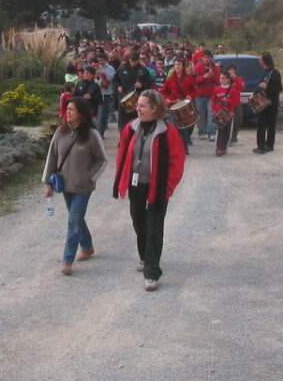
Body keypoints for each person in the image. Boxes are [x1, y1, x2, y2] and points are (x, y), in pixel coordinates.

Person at [113, 89, 187, 292]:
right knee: (138, 221)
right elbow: (122, 155)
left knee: (154, 226)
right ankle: (145, 257)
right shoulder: (130, 128)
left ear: (154, 108)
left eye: (142, 105)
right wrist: (120, 180)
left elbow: (177, 160)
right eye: (138, 105)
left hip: (158, 187)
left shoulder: (168, 131)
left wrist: (168, 186)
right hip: (136, 184)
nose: (137, 108)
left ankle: (152, 272)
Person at [42, 97, 108, 276]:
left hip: (83, 187)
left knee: (73, 220)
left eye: (71, 109)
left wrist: (90, 177)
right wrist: (48, 183)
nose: (67, 112)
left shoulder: (92, 135)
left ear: (81, 113)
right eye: (67, 109)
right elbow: (52, 158)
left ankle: (67, 260)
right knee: (76, 218)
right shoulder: (60, 132)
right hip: (65, 185)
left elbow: (102, 160)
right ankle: (87, 247)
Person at [160, 57, 197, 149]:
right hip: (173, 105)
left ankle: (184, 145)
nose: (177, 66)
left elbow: (194, 91)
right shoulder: (170, 79)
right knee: (173, 126)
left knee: (185, 126)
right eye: (175, 64)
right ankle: (174, 146)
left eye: (179, 64)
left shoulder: (189, 78)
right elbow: (164, 91)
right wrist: (167, 98)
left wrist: (190, 95)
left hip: (184, 105)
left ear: (183, 66)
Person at [113, 50, 154, 132]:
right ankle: (123, 136)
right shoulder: (122, 68)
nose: (132, 63)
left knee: (136, 122)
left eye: (134, 61)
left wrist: (142, 85)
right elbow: (114, 80)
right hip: (124, 99)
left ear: (138, 60)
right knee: (123, 123)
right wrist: (118, 86)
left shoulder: (143, 70)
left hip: (137, 100)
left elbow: (149, 83)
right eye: (131, 61)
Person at [253, 51, 282, 154]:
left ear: (264, 60)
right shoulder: (263, 71)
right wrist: (254, 94)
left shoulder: (275, 73)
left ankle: (269, 145)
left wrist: (267, 87)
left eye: (260, 59)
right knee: (261, 124)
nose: (259, 60)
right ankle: (260, 146)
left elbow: (279, 88)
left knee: (271, 124)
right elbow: (259, 85)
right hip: (262, 102)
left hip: (271, 103)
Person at [193, 49, 220, 141]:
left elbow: (218, 81)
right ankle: (202, 132)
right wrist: (204, 77)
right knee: (200, 115)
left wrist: (212, 76)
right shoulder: (197, 67)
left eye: (208, 57)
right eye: (205, 57)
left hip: (211, 95)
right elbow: (194, 81)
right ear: (202, 58)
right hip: (199, 95)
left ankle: (211, 133)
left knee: (211, 114)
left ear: (211, 58)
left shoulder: (215, 68)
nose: (207, 59)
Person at [212, 71, 241, 156]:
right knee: (220, 130)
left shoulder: (233, 90)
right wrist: (214, 110)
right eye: (220, 78)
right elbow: (213, 100)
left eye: (223, 78)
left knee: (227, 131)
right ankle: (219, 148)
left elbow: (237, 101)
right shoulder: (217, 89)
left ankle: (224, 147)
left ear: (228, 80)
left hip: (229, 113)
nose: (221, 80)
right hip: (220, 113)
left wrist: (228, 100)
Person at [94, 56, 116, 135]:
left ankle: (100, 132)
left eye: (102, 60)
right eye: (99, 60)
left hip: (106, 94)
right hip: (96, 94)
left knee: (102, 115)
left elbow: (111, 79)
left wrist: (102, 72)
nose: (100, 62)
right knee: (98, 115)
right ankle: (99, 132)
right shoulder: (94, 68)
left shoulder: (110, 68)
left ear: (105, 60)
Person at [225, 64, 245, 146]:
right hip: (228, 103)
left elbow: (241, 88)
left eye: (233, 69)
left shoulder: (239, 79)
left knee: (238, 120)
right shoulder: (225, 79)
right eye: (230, 69)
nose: (231, 71)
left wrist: (235, 79)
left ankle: (234, 136)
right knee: (228, 121)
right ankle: (228, 138)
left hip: (237, 102)